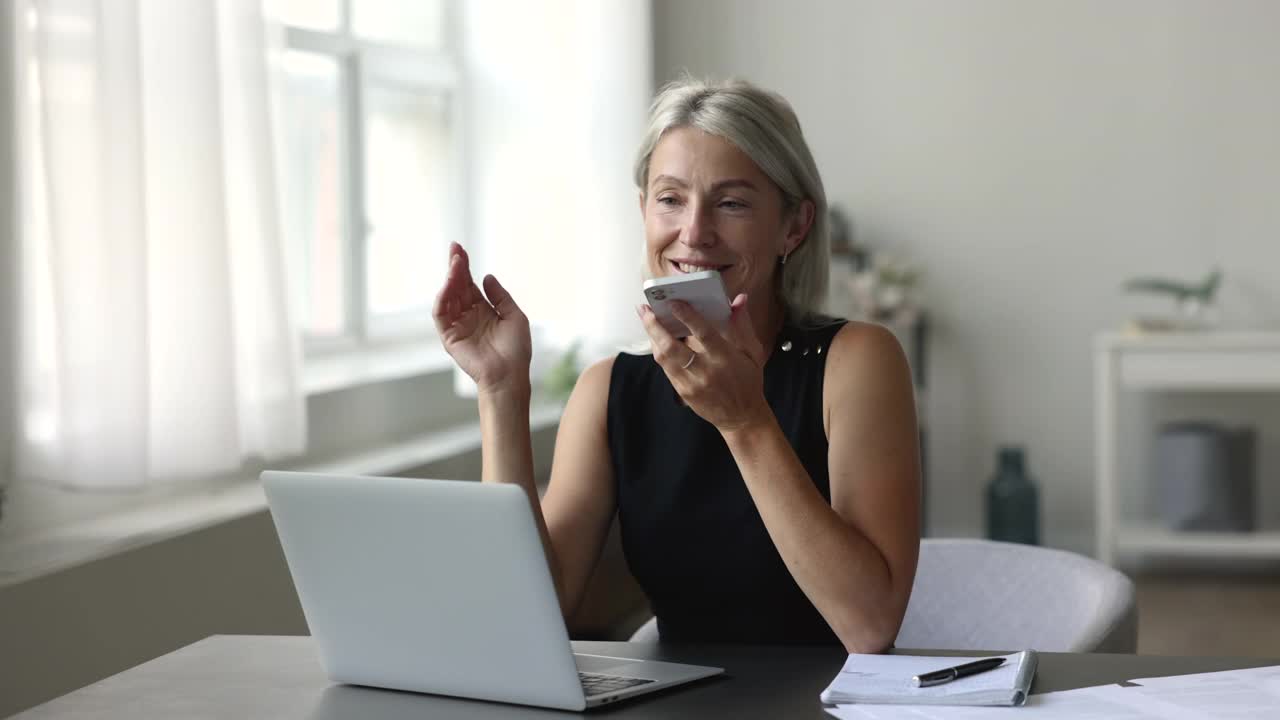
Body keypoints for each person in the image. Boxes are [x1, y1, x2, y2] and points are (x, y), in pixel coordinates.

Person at [432, 77, 920, 652]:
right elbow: (520, 616)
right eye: (670, 199)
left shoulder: (857, 362)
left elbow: (869, 626)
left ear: (795, 225)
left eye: (732, 203)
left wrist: (745, 422)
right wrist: (500, 389)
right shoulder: (610, 389)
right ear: (643, 210)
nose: (693, 233)